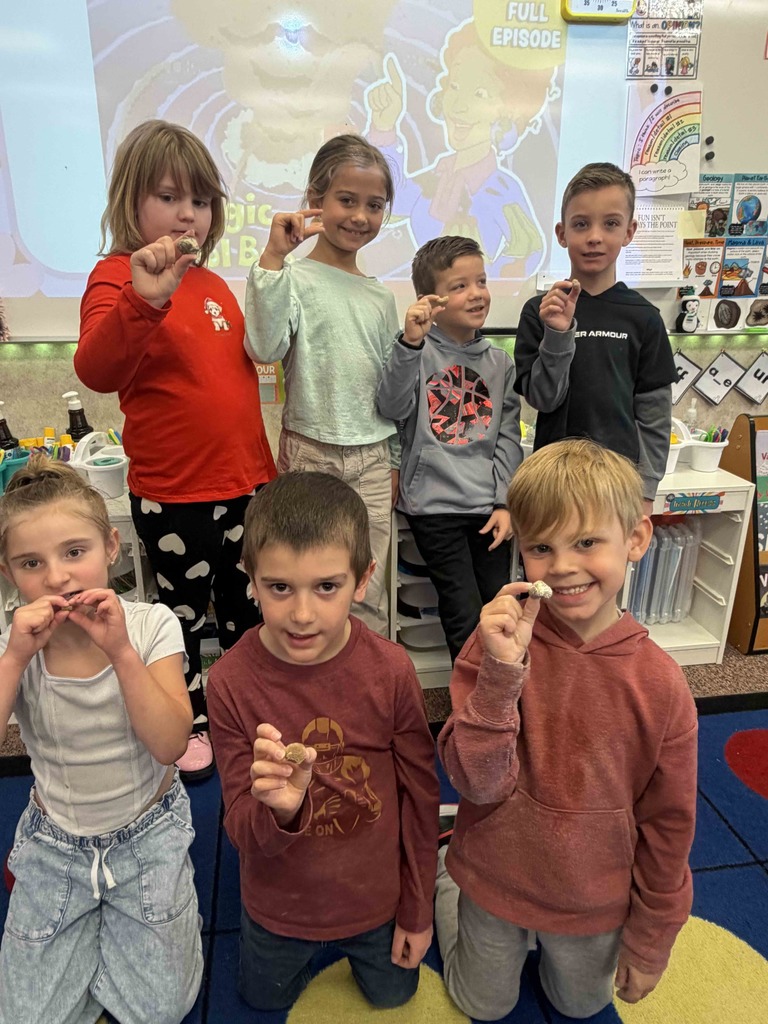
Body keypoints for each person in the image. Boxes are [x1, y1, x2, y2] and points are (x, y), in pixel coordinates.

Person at [435, 438, 698, 1021]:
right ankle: (444, 871)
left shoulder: (661, 684)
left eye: (586, 542)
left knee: (580, 1006)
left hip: (592, 896)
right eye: (541, 547)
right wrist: (502, 674)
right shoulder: (497, 645)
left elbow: (670, 823)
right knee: (482, 1005)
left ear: (636, 539)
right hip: (493, 874)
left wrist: (652, 937)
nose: (562, 566)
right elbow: (474, 781)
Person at [75, 119, 276, 780]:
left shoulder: (212, 283)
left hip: (246, 483)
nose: (188, 213)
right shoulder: (116, 276)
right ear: (130, 201)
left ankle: (245, 709)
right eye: (168, 197)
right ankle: (187, 716)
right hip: (175, 493)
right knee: (181, 619)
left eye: (201, 199)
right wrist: (143, 299)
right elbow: (96, 369)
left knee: (249, 610)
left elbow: (234, 384)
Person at [206, 472, 439, 1012]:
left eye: (327, 587)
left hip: (376, 900)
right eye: (279, 588)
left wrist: (417, 907)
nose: (302, 614)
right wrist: (283, 811)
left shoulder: (392, 671)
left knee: (393, 999)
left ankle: (447, 881)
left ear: (363, 579)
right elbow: (241, 831)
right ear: (251, 578)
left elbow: (421, 797)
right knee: (260, 1002)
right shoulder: (230, 682)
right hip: (278, 906)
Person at [0, 458, 202, 1024]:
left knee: (160, 1010)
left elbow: (170, 744)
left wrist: (120, 652)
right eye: (31, 563)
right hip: (55, 839)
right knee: (25, 1017)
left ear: (111, 546)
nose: (57, 578)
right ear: (8, 572)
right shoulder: (14, 643)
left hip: (149, 830)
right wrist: (15, 659)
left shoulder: (151, 624)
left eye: (74, 552)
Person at [243, 134, 400, 635]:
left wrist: (394, 461)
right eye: (346, 200)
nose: (360, 216)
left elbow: (393, 388)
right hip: (311, 450)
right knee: (307, 584)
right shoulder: (290, 277)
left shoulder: (381, 298)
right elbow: (264, 347)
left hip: (373, 457)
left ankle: (363, 680)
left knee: (366, 591)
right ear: (315, 199)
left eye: (374, 205)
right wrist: (273, 258)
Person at [377, 236, 521, 662]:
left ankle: (504, 686)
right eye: (459, 286)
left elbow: (507, 437)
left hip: (486, 507)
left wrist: (505, 502)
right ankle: (476, 695)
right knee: (464, 611)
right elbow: (391, 406)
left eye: (481, 281)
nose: (476, 293)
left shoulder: (500, 363)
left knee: (501, 604)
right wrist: (409, 344)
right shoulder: (414, 350)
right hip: (433, 505)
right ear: (432, 301)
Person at [514, 162, 677, 514]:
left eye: (611, 224)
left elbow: (654, 415)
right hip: (553, 480)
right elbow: (543, 399)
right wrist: (557, 334)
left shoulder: (645, 317)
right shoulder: (539, 311)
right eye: (581, 224)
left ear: (629, 232)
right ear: (561, 234)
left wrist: (646, 492)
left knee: (608, 555)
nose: (594, 237)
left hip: (617, 486)